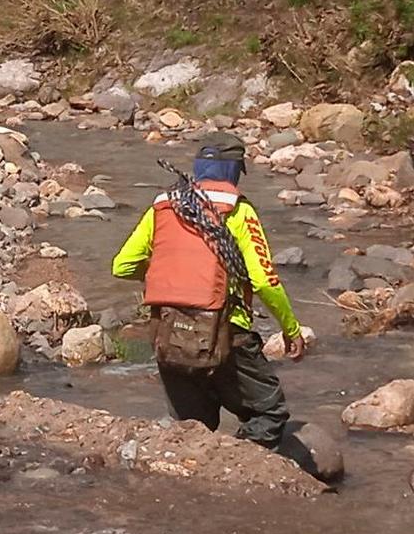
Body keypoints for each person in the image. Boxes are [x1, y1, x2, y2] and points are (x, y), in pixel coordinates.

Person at [111, 132, 305, 450]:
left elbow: (123, 266)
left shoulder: (163, 207)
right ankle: (239, 467)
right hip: (228, 333)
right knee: (269, 412)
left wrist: (172, 277)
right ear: (233, 171)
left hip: (170, 333)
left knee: (192, 428)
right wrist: (290, 330)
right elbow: (265, 282)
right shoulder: (239, 212)